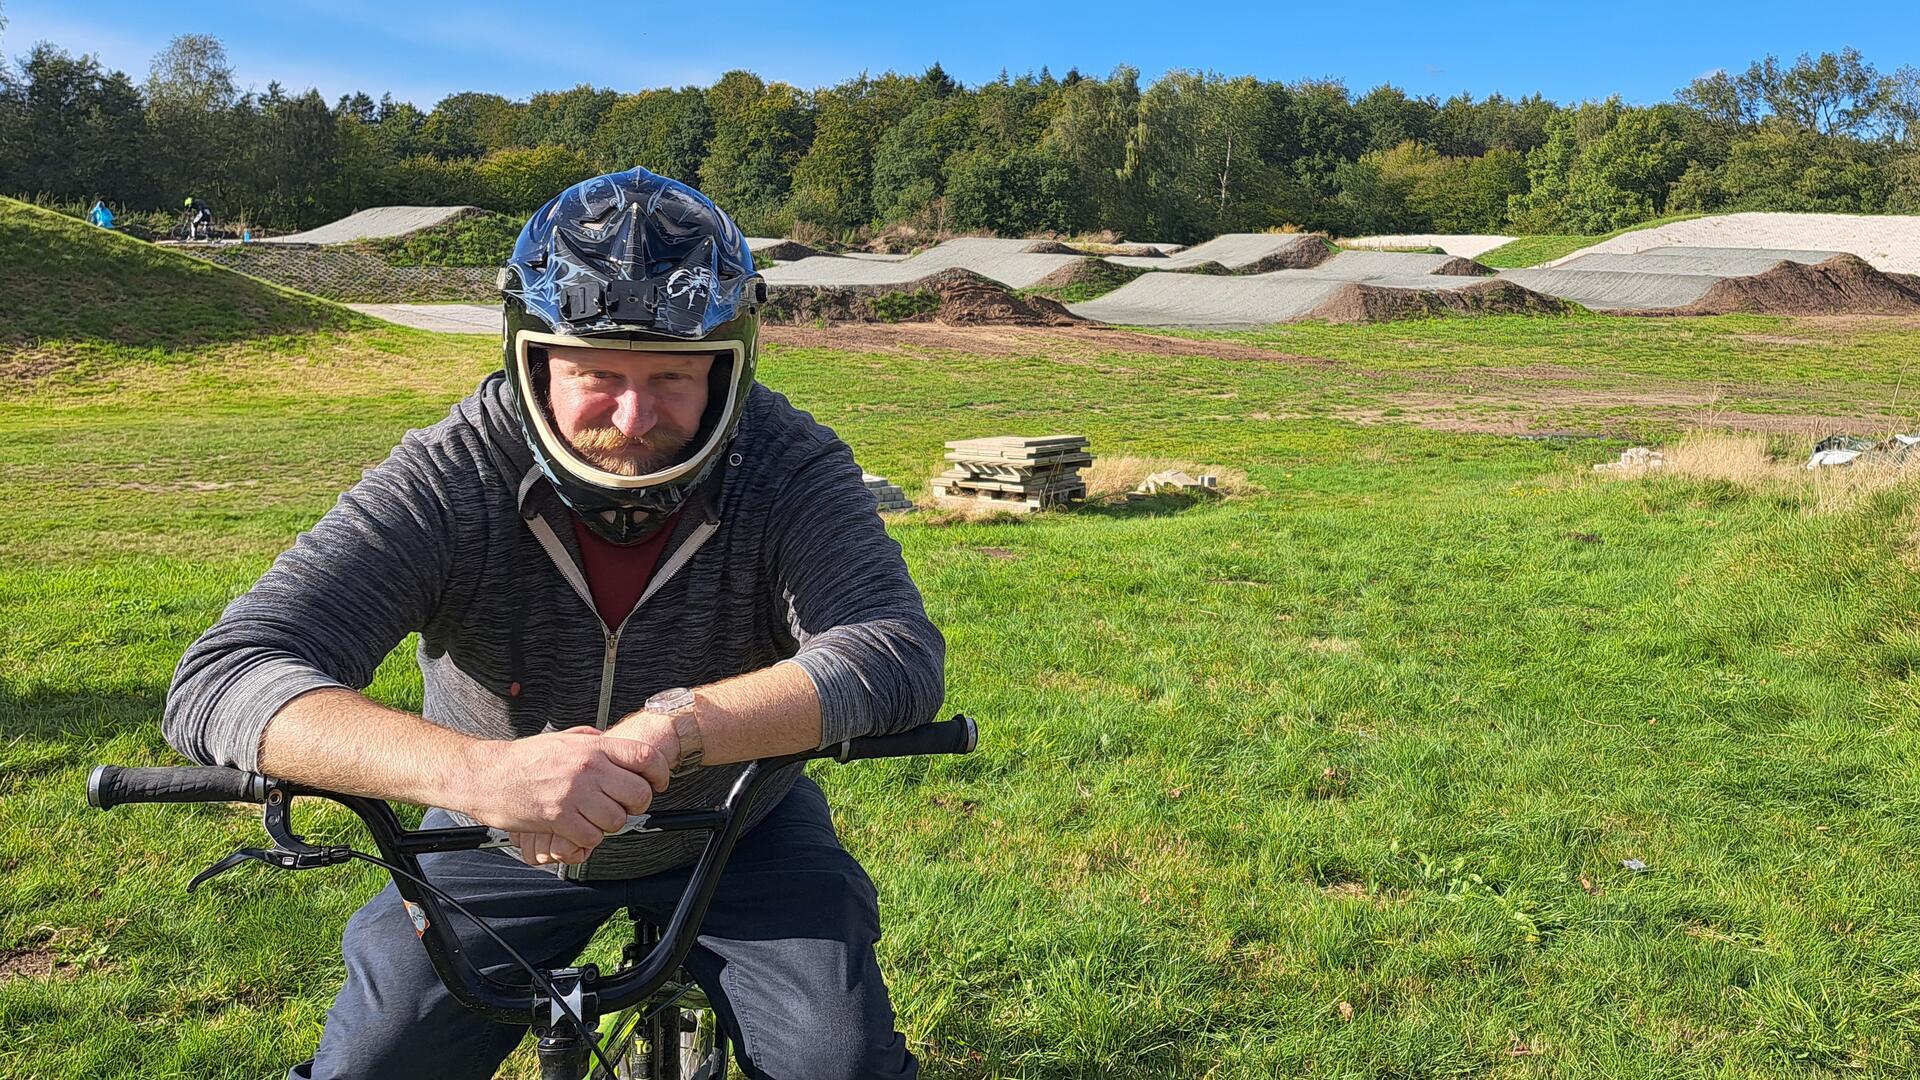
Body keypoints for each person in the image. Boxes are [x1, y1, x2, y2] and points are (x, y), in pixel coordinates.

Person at [164, 168, 946, 1079]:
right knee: (376, 1063)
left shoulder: (788, 462)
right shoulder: (454, 472)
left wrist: (678, 730)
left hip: (736, 826)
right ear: (530, 357)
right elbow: (227, 672)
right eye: (595, 374)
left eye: (675, 377)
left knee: (839, 1062)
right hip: (490, 833)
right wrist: (479, 772)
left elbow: (892, 647)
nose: (633, 415)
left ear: (732, 367)